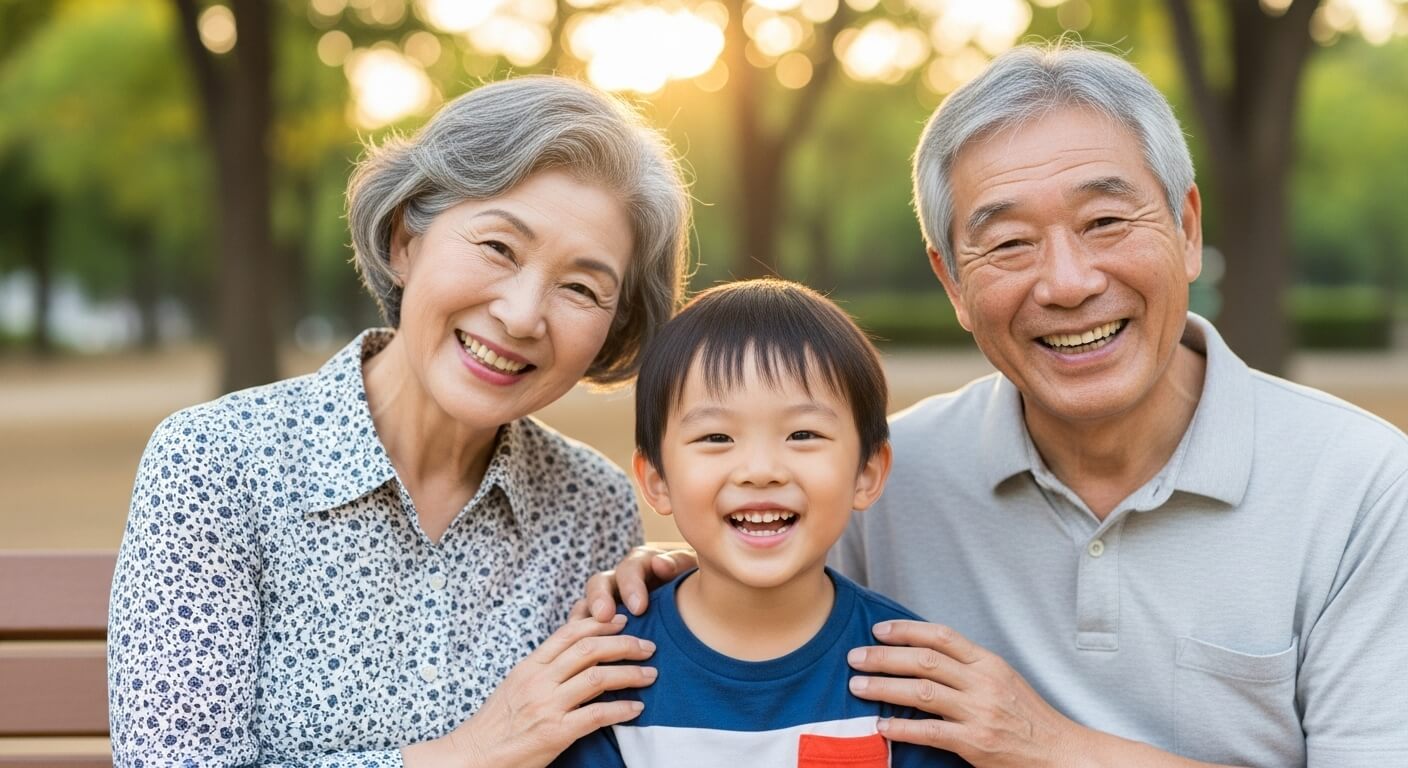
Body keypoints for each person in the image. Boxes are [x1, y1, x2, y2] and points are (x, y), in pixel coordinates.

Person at [586, 43, 1408, 767]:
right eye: (1009, 242)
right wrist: (678, 575)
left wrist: (1049, 748)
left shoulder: (1364, 488)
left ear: (1187, 228)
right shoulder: (884, 482)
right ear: (950, 280)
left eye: (1106, 220)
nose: (1068, 281)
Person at [107, 76, 691, 767]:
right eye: (499, 247)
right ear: (404, 238)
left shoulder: (592, 505)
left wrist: (706, 598)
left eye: (581, 288)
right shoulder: (213, 462)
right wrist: (478, 749)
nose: (523, 315)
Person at [554, 279, 967, 767]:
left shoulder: (906, 672)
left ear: (867, 473)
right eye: (715, 436)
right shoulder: (611, 670)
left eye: (802, 433)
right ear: (657, 480)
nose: (761, 470)